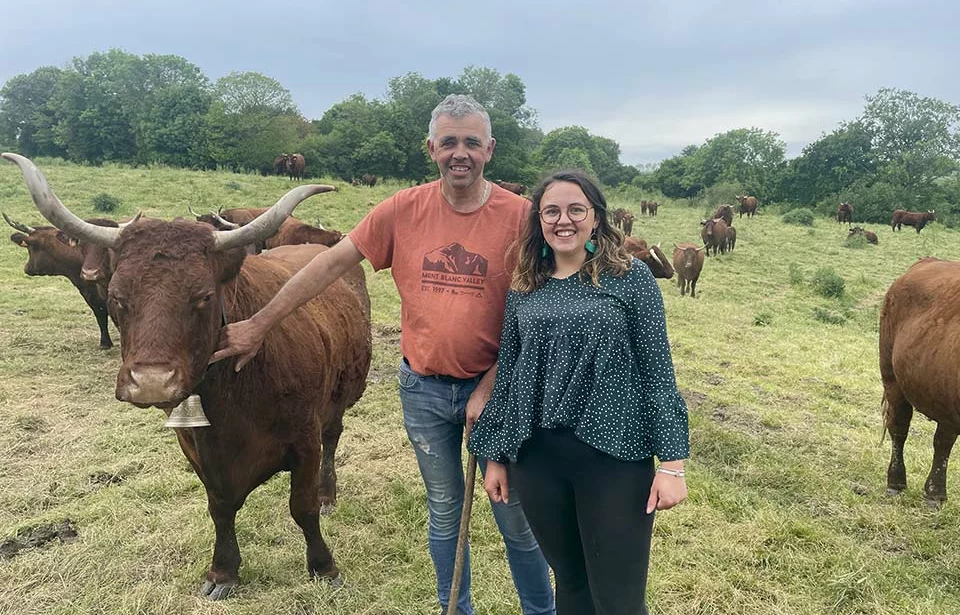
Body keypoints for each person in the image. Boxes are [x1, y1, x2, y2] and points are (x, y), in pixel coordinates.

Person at [208, 94, 554, 615]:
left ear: (490, 150)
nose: (460, 152)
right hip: (425, 389)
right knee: (443, 510)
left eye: (472, 142)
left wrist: (492, 383)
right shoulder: (402, 209)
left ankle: (541, 610)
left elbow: (542, 311)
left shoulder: (523, 218)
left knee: (514, 515)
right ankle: (453, 609)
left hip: (500, 390)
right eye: (449, 142)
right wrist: (259, 323)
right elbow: (327, 266)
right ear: (431, 148)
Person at [468, 170, 690, 615]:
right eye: (551, 211)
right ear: (539, 220)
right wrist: (495, 455)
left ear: (595, 218)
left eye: (575, 210)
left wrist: (672, 464)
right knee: (570, 585)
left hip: (614, 461)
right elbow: (510, 376)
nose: (562, 220)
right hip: (537, 461)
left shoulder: (630, 279)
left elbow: (657, 372)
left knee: (618, 599)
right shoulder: (526, 286)